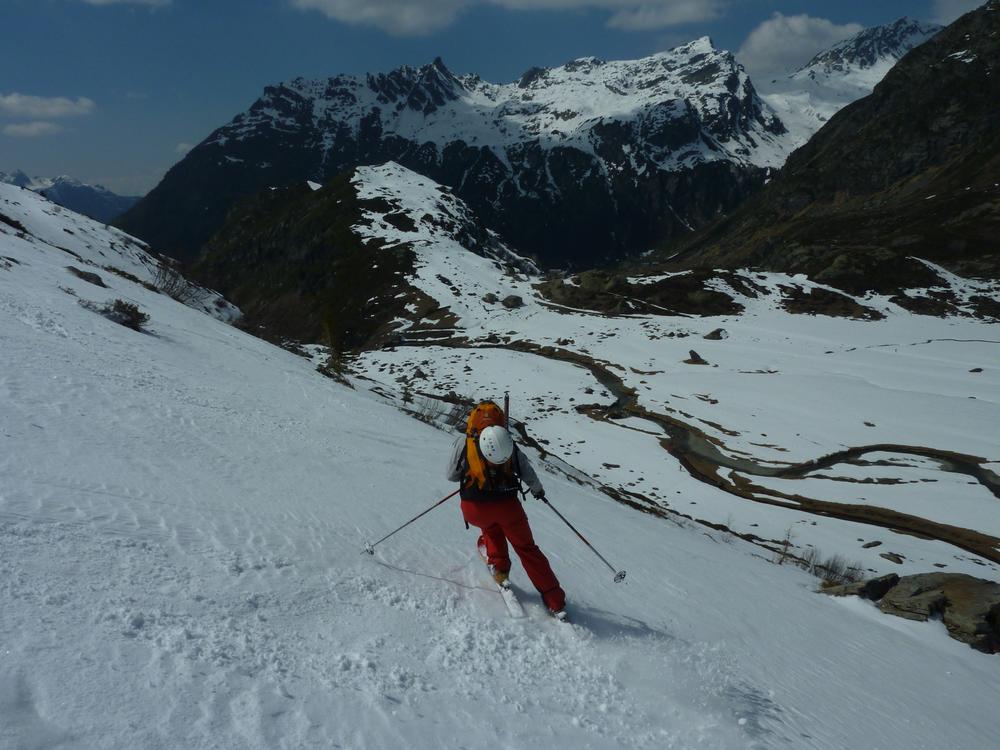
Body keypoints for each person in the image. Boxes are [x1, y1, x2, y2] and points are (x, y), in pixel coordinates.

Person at [446, 401, 566, 616]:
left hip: (474, 508)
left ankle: (500, 569)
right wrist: (538, 490)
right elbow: (527, 471)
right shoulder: (509, 443)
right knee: (527, 549)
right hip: (508, 509)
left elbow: (451, 475)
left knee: (490, 528)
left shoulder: (464, 443)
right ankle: (554, 600)